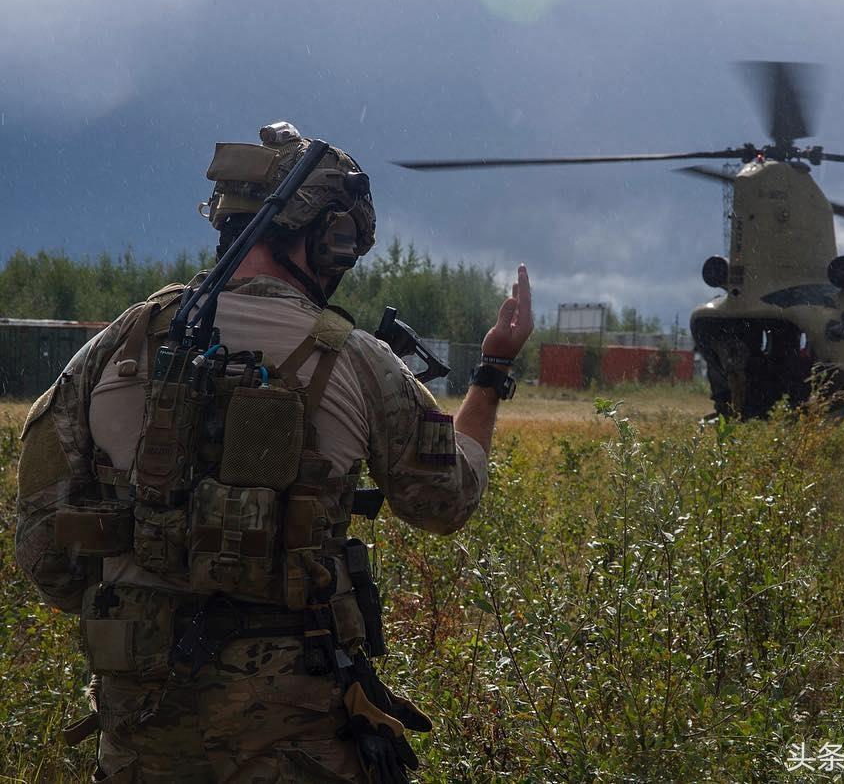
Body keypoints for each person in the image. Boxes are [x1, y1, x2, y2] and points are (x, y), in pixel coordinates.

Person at [15, 122, 532, 783]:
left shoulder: (118, 344)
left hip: (142, 746)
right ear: (332, 237)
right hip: (301, 748)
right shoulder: (358, 361)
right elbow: (446, 500)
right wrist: (491, 373)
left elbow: (44, 552)